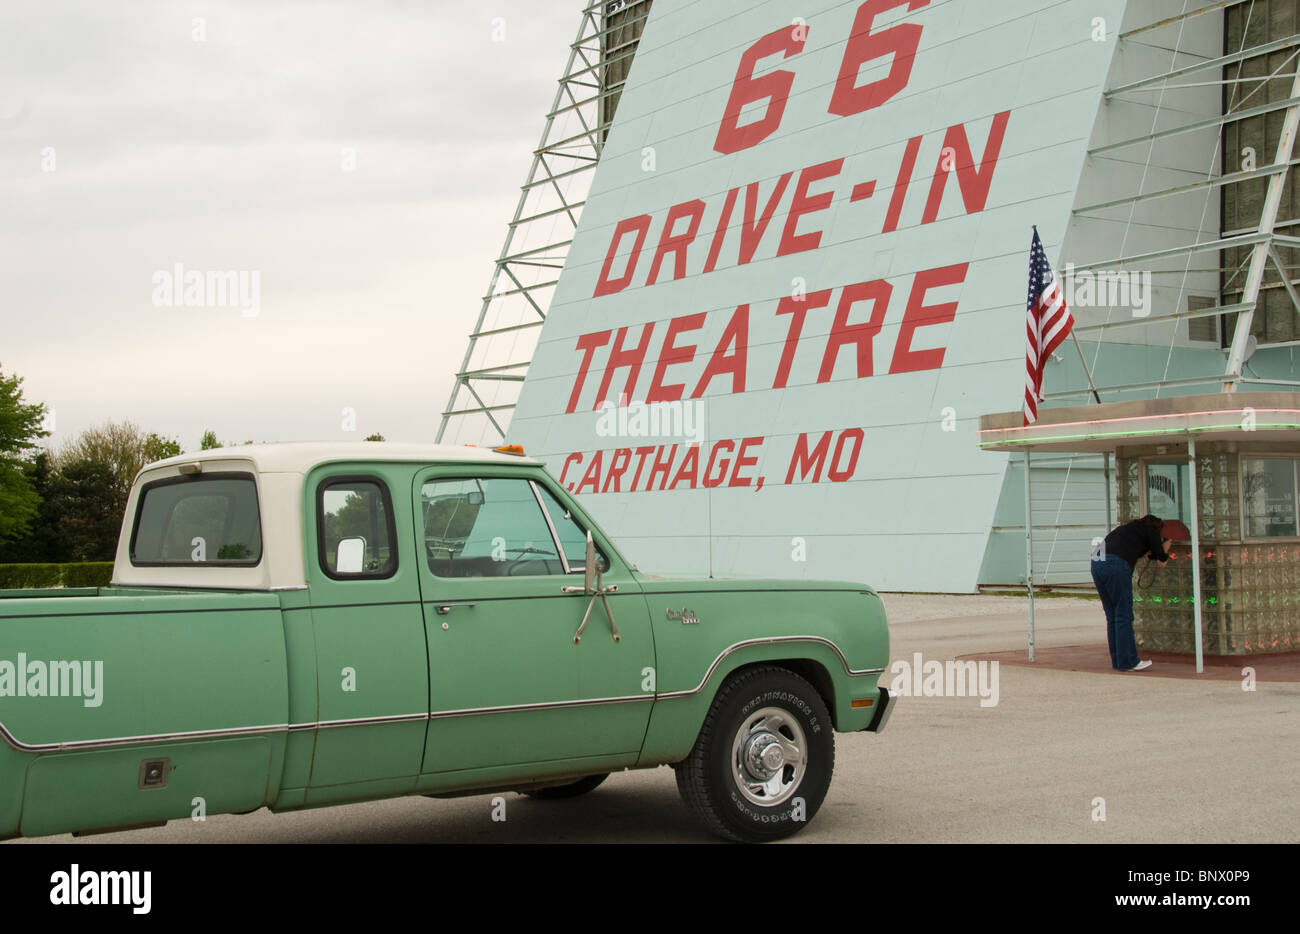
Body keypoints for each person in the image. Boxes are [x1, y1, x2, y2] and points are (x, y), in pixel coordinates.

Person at [1091, 514, 1174, 672]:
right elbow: (1161, 560)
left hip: (1097, 562)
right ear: (1157, 527)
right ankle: (1129, 662)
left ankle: (1118, 661)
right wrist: (1165, 548)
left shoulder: (1128, 530)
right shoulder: (1151, 530)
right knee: (1123, 615)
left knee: (1112, 615)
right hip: (1115, 565)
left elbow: (1144, 551)